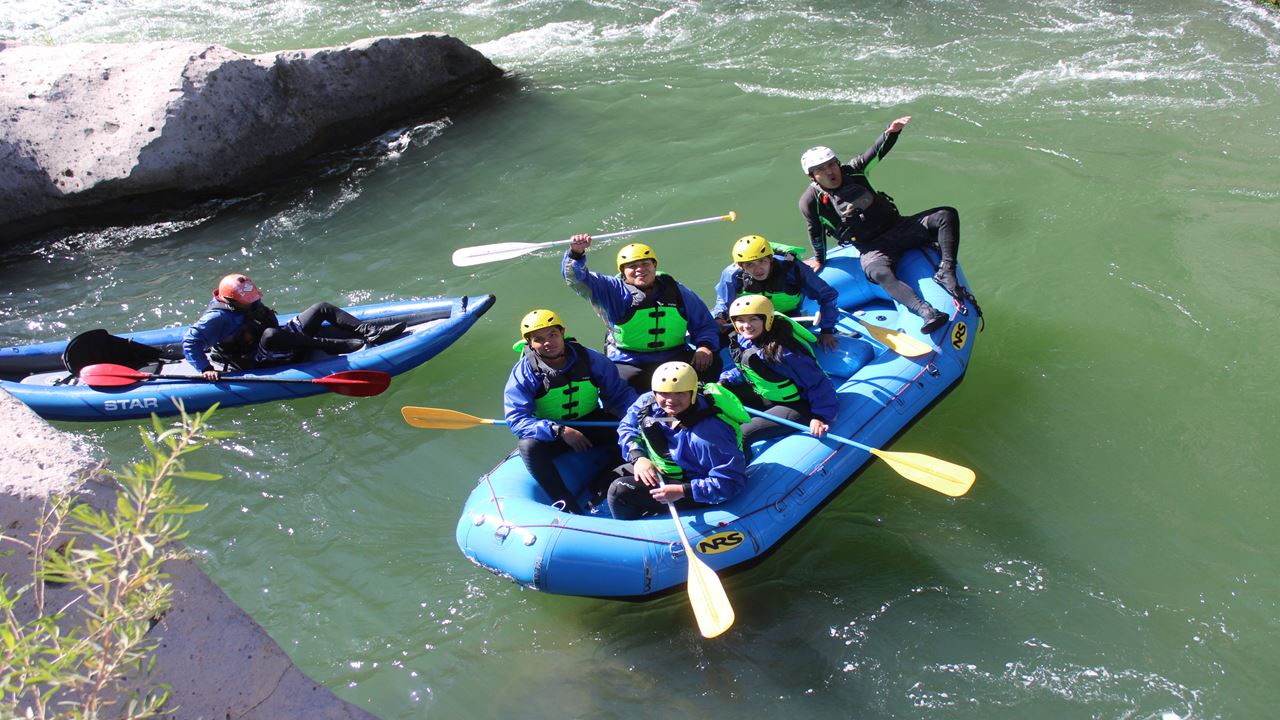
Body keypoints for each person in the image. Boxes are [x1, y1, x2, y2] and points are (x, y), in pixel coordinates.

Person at [798, 115, 962, 333]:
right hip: (871, 247)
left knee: (946, 215)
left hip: (899, 227)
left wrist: (891, 132)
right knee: (878, 273)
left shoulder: (854, 171)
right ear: (813, 177)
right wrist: (819, 258)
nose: (830, 172)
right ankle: (926, 312)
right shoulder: (810, 201)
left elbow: (876, 151)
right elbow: (815, 230)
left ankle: (946, 271)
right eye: (821, 169)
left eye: (832, 164)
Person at [503, 308, 638, 514]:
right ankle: (566, 503)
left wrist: (641, 416)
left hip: (591, 422)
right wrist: (559, 430)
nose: (548, 343)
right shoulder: (524, 373)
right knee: (528, 446)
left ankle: (603, 483)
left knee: (631, 434)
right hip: (552, 433)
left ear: (563, 332)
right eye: (538, 339)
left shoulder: (592, 360)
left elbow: (620, 395)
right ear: (529, 343)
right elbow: (516, 420)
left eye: (553, 335)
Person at [563, 234, 721, 393]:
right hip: (630, 361)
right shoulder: (612, 290)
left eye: (645, 264)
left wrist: (704, 346)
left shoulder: (677, 291)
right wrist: (576, 254)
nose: (640, 269)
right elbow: (577, 279)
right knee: (618, 386)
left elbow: (704, 324)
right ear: (623, 271)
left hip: (675, 355)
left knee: (710, 364)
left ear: (654, 265)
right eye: (632, 266)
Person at [182, 273, 405, 380]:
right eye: (248, 299)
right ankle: (336, 345)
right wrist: (205, 369)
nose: (254, 301)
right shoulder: (218, 318)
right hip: (252, 360)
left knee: (321, 308)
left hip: (274, 342)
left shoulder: (248, 302)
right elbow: (191, 341)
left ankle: (371, 333)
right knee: (271, 335)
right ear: (232, 300)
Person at [608, 361, 749, 520]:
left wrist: (683, 491)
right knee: (610, 476)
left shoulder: (707, 436)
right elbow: (627, 426)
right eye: (664, 393)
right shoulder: (648, 402)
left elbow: (731, 482)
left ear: (693, 393)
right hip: (666, 469)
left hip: (692, 485)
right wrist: (638, 456)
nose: (670, 400)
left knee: (619, 491)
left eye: (679, 393)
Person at [718, 295, 839, 451]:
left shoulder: (785, 352)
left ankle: (737, 473)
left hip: (799, 406)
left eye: (753, 319)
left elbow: (818, 383)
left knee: (743, 434)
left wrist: (820, 416)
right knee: (717, 398)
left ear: (767, 319)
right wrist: (727, 380)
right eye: (740, 320)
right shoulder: (747, 339)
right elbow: (749, 368)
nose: (746, 326)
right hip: (768, 395)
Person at [711, 234, 841, 352]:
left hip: (784, 316)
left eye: (762, 261)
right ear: (741, 266)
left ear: (770, 259)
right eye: (750, 265)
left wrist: (827, 330)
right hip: (748, 318)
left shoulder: (792, 268)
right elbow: (723, 300)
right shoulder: (731, 275)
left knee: (779, 349)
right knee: (715, 338)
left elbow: (827, 295)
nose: (758, 269)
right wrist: (720, 317)